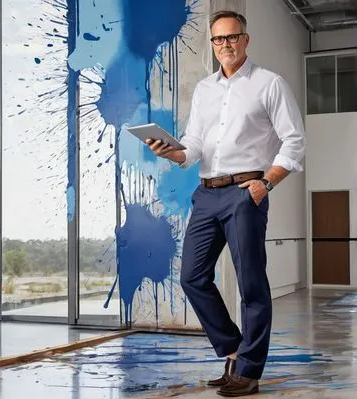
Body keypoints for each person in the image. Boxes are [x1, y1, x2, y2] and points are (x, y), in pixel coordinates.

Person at [146, 9, 306, 397]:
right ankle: (234, 350)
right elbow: (195, 146)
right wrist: (172, 153)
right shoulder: (205, 90)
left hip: (244, 193)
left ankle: (248, 372)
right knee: (192, 277)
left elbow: (295, 139)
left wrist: (266, 183)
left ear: (245, 40)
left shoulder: (269, 84)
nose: (225, 45)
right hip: (205, 193)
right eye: (218, 39)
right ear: (213, 44)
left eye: (232, 37)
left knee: (251, 284)